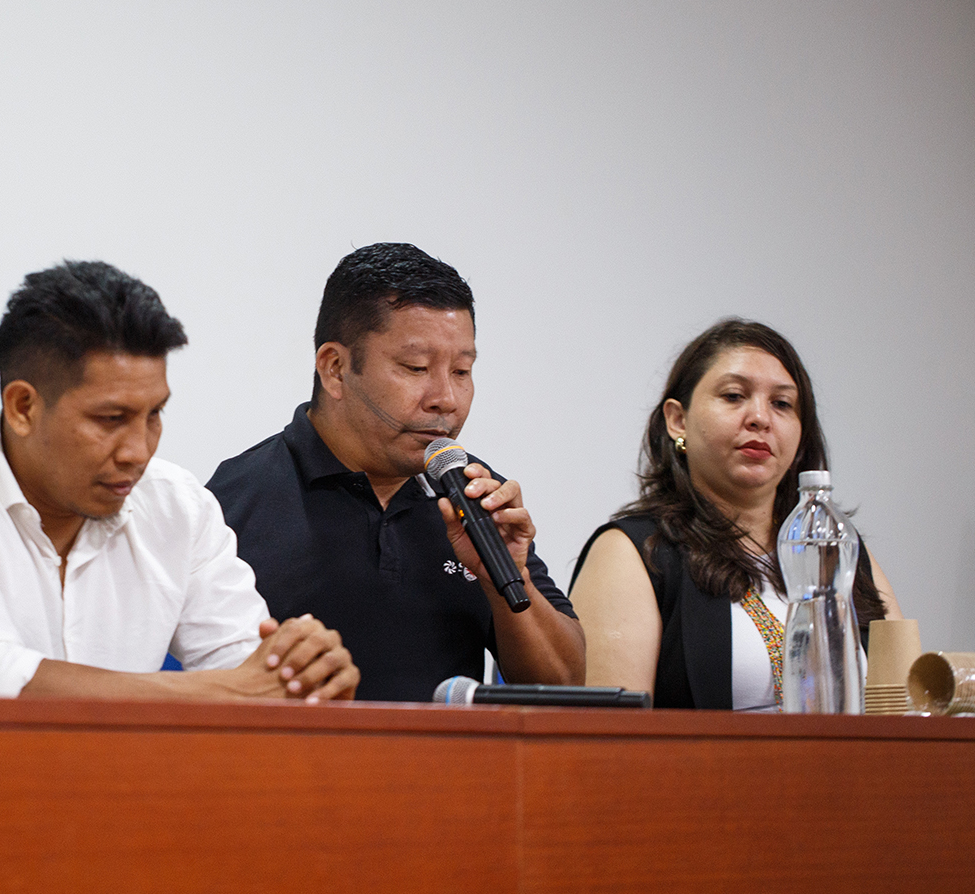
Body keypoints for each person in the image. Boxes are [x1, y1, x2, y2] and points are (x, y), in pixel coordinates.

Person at [0, 260, 358, 702]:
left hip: (104, 791)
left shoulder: (179, 507)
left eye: (154, 414)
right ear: (23, 407)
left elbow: (254, 677)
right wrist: (230, 692)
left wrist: (306, 676)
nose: (138, 452)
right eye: (110, 419)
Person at [207, 243, 584, 701]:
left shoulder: (476, 496)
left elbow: (565, 688)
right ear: (335, 369)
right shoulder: (231, 503)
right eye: (416, 367)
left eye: (462, 371)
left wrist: (503, 575)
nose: (445, 399)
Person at [568, 318, 901, 711]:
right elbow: (609, 736)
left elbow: (906, 705)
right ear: (678, 420)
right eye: (733, 396)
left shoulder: (836, 546)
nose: (760, 417)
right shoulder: (633, 553)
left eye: (782, 404)